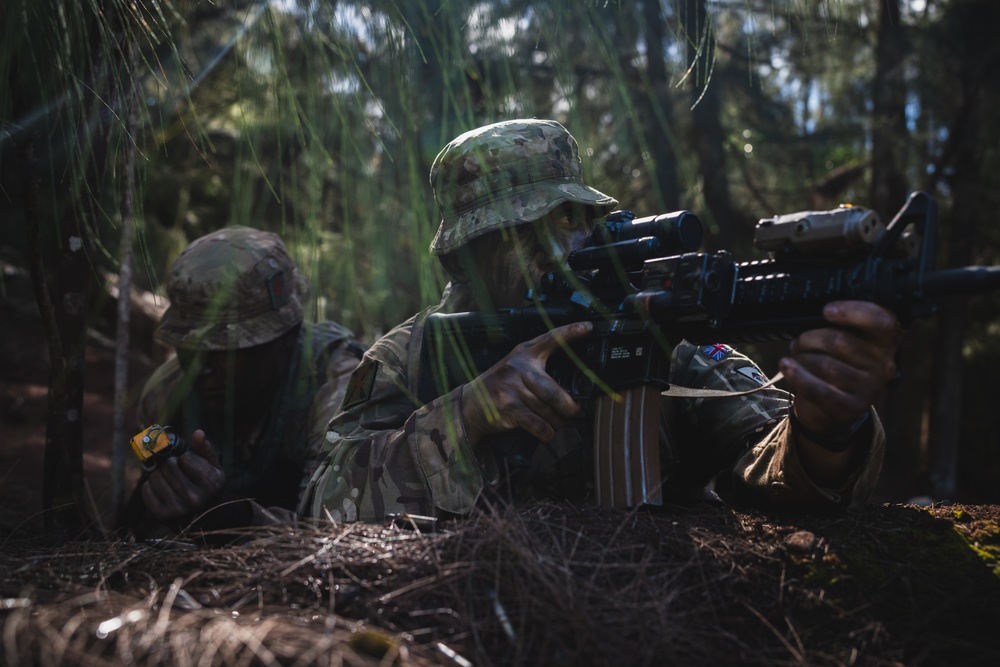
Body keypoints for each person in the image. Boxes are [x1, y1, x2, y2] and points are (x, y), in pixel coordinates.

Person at [298, 119, 900, 523]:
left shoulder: (656, 336)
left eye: (570, 221)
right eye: (521, 230)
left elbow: (773, 466)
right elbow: (321, 502)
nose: (556, 247)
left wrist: (825, 429)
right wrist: (466, 415)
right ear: (465, 255)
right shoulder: (412, 358)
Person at [122, 226, 365, 537]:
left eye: (224, 350)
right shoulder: (164, 396)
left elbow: (339, 540)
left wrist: (234, 517)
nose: (201, 369)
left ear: (284, 339)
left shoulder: (339, 394)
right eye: (188, 348)